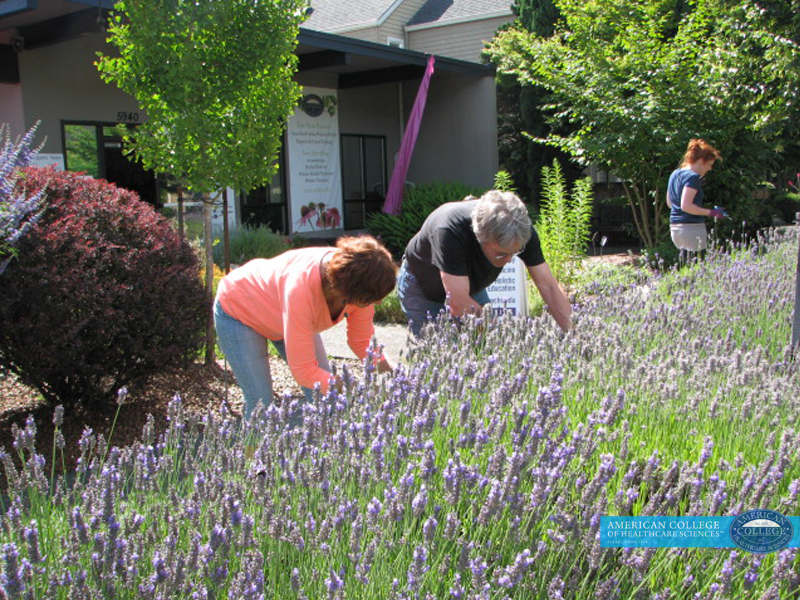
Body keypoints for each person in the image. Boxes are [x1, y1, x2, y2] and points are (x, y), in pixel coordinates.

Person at [214, 235, 397, 419]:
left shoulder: (365, 283)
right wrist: (351, 388)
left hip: (286, 315)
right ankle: (252, 448)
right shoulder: (301, 288)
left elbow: (361, 341)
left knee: (329, 403)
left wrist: (393, 373)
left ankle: (330, 446)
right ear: (346, 291)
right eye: (374, 298)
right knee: (261, 408)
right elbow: (304, 371)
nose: (379, 302)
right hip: (240, 309)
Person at [397, 189, 572, 337]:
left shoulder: (519, 229)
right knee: (439, 355)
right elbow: (458, 303)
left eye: (515, 252)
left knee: (486, 351)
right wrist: (502, 336)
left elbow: (548, 286)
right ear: (479, 237)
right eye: (501, 254)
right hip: (424, 286)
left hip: (470, 285)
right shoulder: (449, 231)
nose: (509, 260)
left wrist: (576, 337)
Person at [667, 139, 725, 252]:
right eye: (709, 164)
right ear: (700, 161)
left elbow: (670, 203)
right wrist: (712, 213)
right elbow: (686, 206)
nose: (710, 168)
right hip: (692, 228)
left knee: (685, 264)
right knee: (699, 264)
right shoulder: (692, 177)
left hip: (675, 229)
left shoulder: (675, 174)